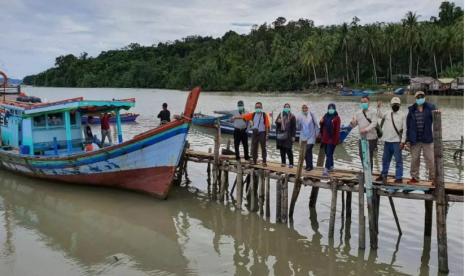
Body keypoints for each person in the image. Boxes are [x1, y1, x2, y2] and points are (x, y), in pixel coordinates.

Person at [406, 91, 437, 183]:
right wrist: (408, 139)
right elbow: (408, 126)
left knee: (430, 159)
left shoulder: (430, 107)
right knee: (414, 159)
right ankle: (415, 177)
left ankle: (433, 178)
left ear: (424, 97)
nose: (420, 98)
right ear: (415, 98)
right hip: (415, 139)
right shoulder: (411, 109)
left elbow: (436, 114)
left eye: (421, 96)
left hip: (427, 139)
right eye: (418, 97)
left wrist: (437, 112)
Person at [375, 97, 407, 183]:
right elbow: (379, 115)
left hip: (397, 142)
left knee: (398, 161)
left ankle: (399, 177)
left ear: (400, 105)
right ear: (391, 105)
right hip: (387, 141)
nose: (395, 106)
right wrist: (378, 107)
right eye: (394, 104)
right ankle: (383, 174)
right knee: (385, 159)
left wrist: (403, 141)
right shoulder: (387, 113)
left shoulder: (403, 115)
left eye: (397, 104)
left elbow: (405, 129)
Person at [350, 95, 378, 172]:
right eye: (362, 102)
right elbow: (354, 124)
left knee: (369, 156)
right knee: (362, 155)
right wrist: (352, 122)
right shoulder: (358, 113)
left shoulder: (373, 111)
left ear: (369, 102)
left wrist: (366, 129)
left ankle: (370, 173)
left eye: (365, 102)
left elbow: (374, 123)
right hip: (361, 138)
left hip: (371, 138)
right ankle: (366, 171)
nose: (363, 103)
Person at [239, 102, 271, 166]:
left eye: (259, 107)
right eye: (256, 107)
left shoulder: (264, 115)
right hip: (254, 132)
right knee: (254, 147)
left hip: (262, 132)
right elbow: (243, 117)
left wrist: (267, 135)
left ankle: (264, 161)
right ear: (255, 108)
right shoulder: (253, 114)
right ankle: (254, 161)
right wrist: (235, 117)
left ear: (261, 108)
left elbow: (267, 126)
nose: (258, 108)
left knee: (263, 147)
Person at [320, 103, 341, 177]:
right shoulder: (325, 116)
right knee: (328, 154)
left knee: (329, 154)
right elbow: (322, 125)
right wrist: (321, 122)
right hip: (325, 138)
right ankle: (331, 166)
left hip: (332, 139)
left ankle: (326, 169)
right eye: (329, 108)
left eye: (332, 108)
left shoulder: (337, 118)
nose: (331, 109)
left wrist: (336, 141)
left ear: (334, 109)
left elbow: (337, 130)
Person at [296, 104, 319, 171]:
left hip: (311, 136)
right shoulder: (300, 116)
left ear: (308, 108)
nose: (304, 109)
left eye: (306, 108)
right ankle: (308, 165)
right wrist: (297, 122)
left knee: (308, 149)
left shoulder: (312, 115)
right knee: (305, 151)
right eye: (303, 108)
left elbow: (316, 124)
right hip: (303, 136)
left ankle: (310, 166)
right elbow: (299, 128)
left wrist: (317, 134)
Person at [275, 103, 297, 168]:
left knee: (288, 149)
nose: (287, 108)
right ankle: (283, 162)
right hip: (281, 134)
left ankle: (291, 163)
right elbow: (277, 123)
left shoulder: (292, 116)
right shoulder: (280, 114)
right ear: (283, 107)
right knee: (282, 149)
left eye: (288, 107)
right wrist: (278, 122)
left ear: (289, 108)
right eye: (285, 107)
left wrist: (293, 136)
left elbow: (294, 127)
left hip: (289, 135)